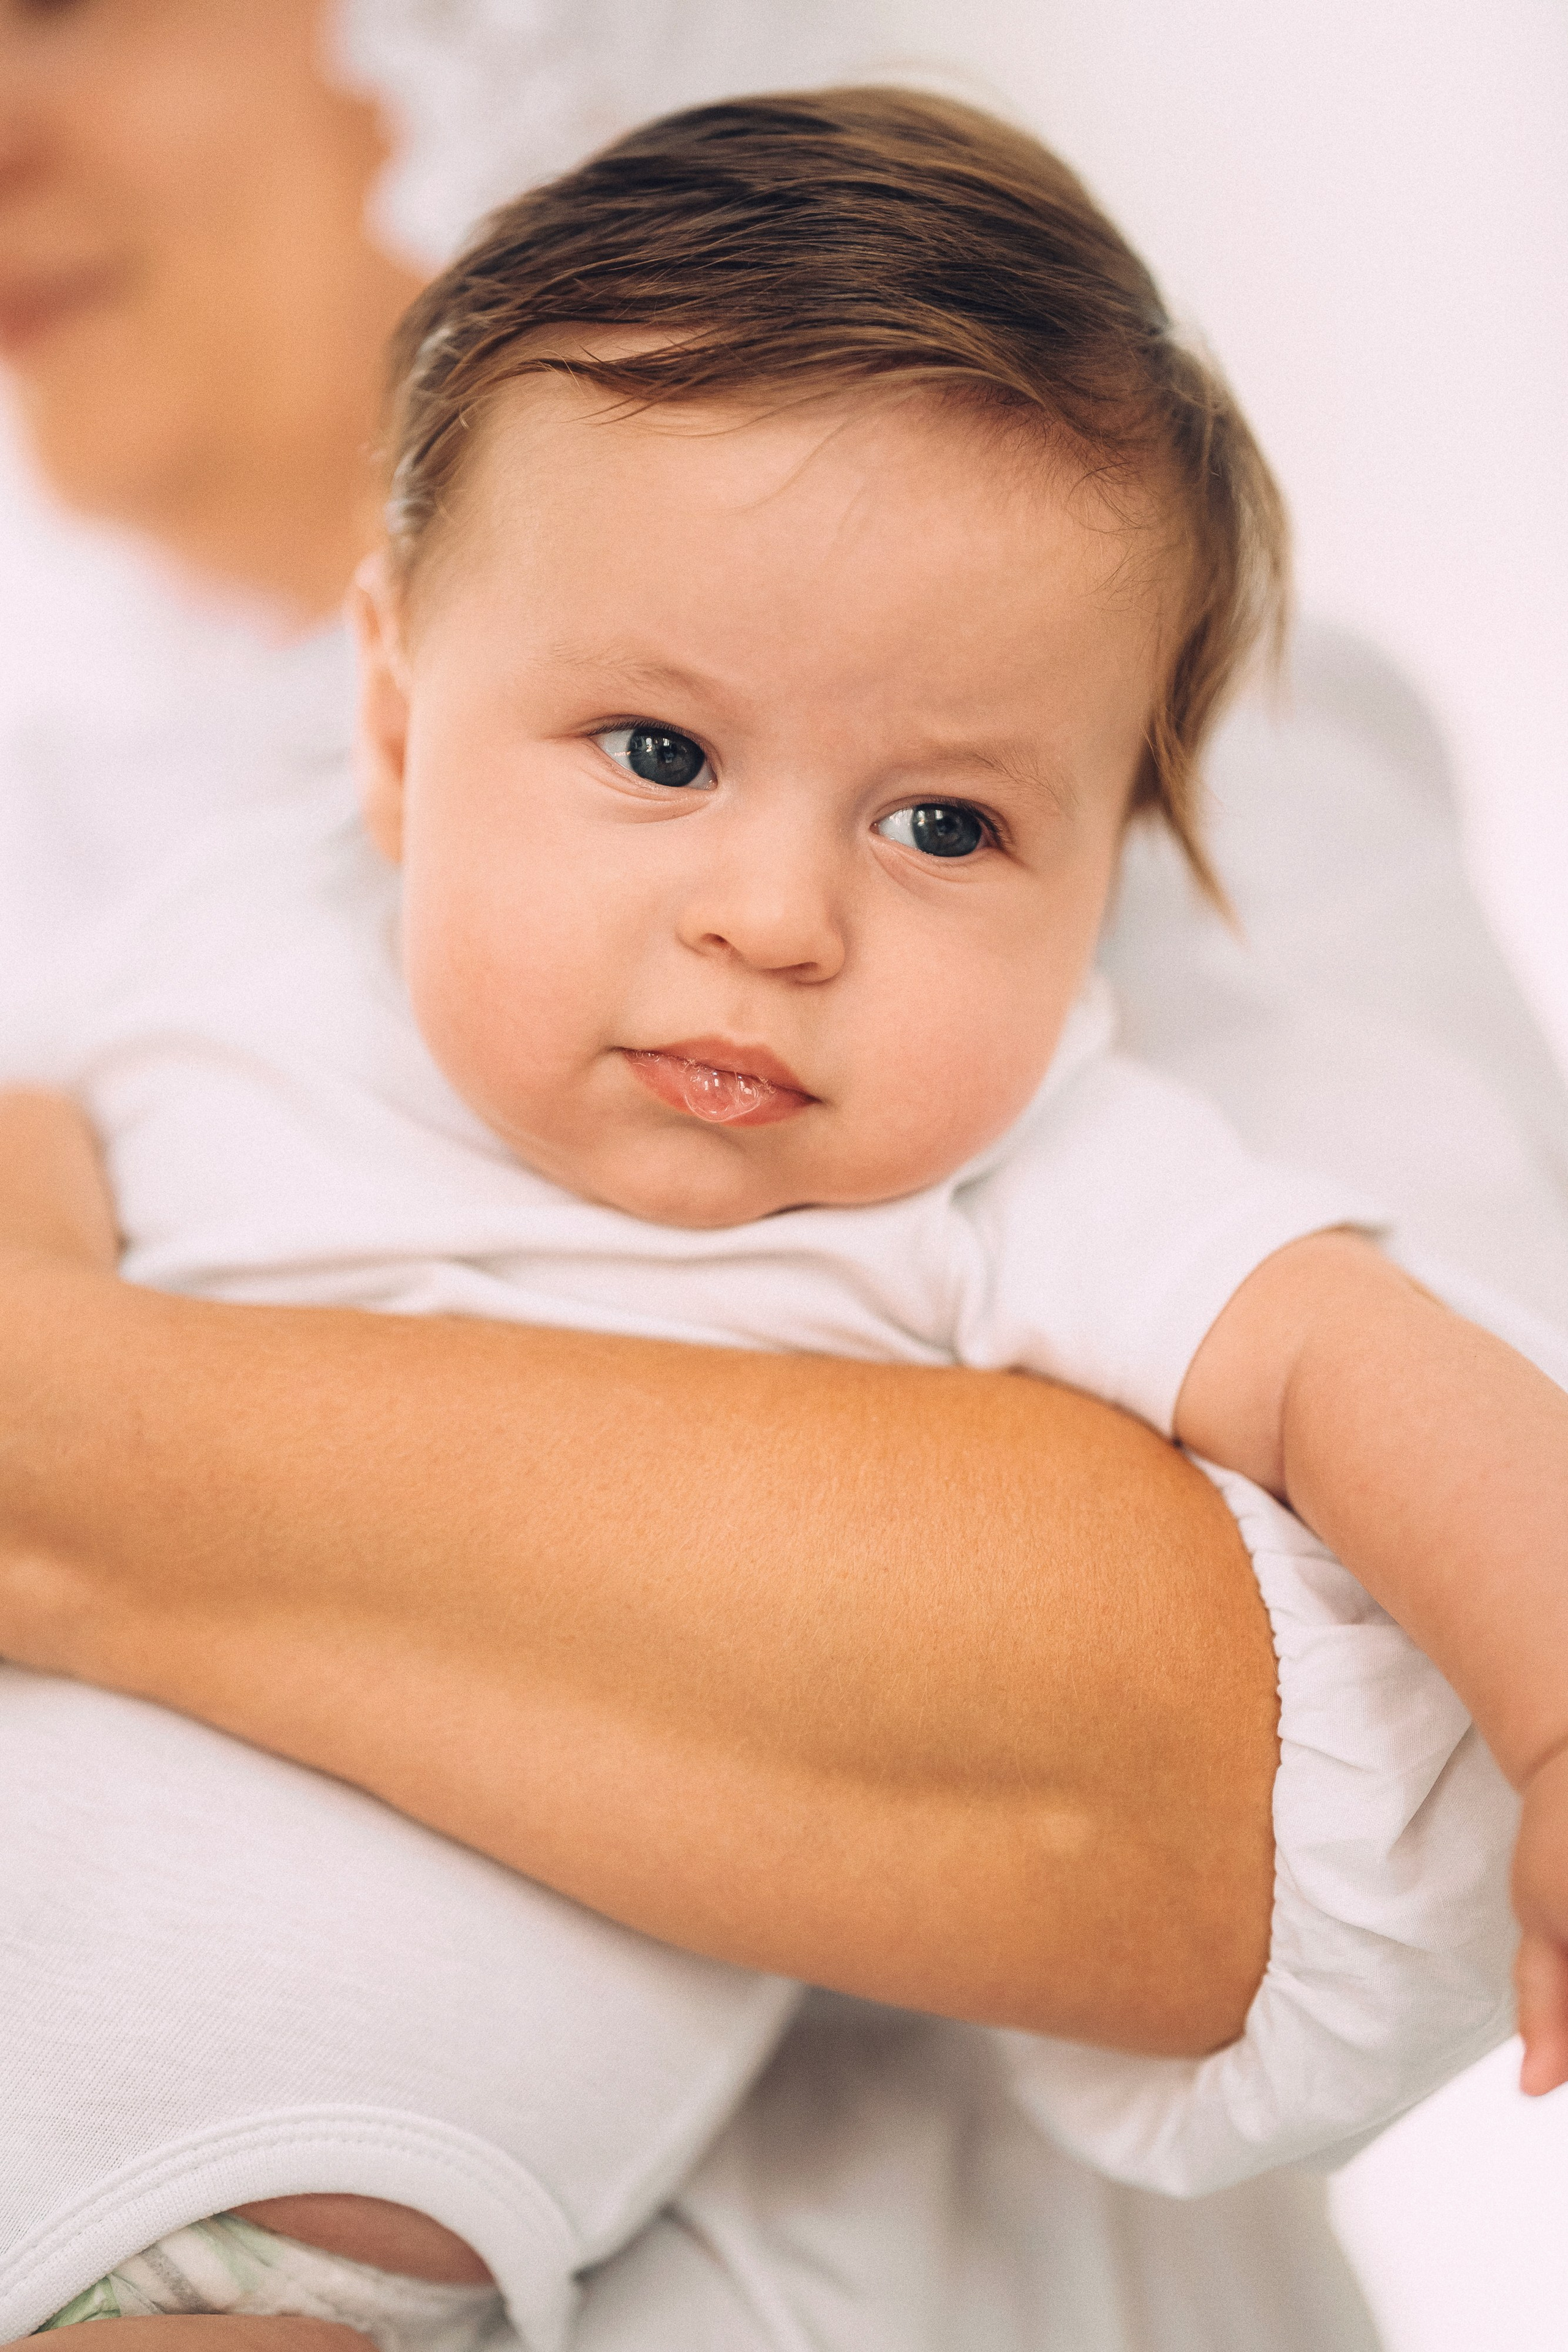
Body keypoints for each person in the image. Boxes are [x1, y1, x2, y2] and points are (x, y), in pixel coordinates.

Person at [0, 10, 1558, 2352]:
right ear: (399, 728)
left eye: (947, 826)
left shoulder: (1029, 1163)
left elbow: (1369, 1377)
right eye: (659, 753)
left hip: (334, 2238)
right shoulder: (237, 926)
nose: (777, 913)